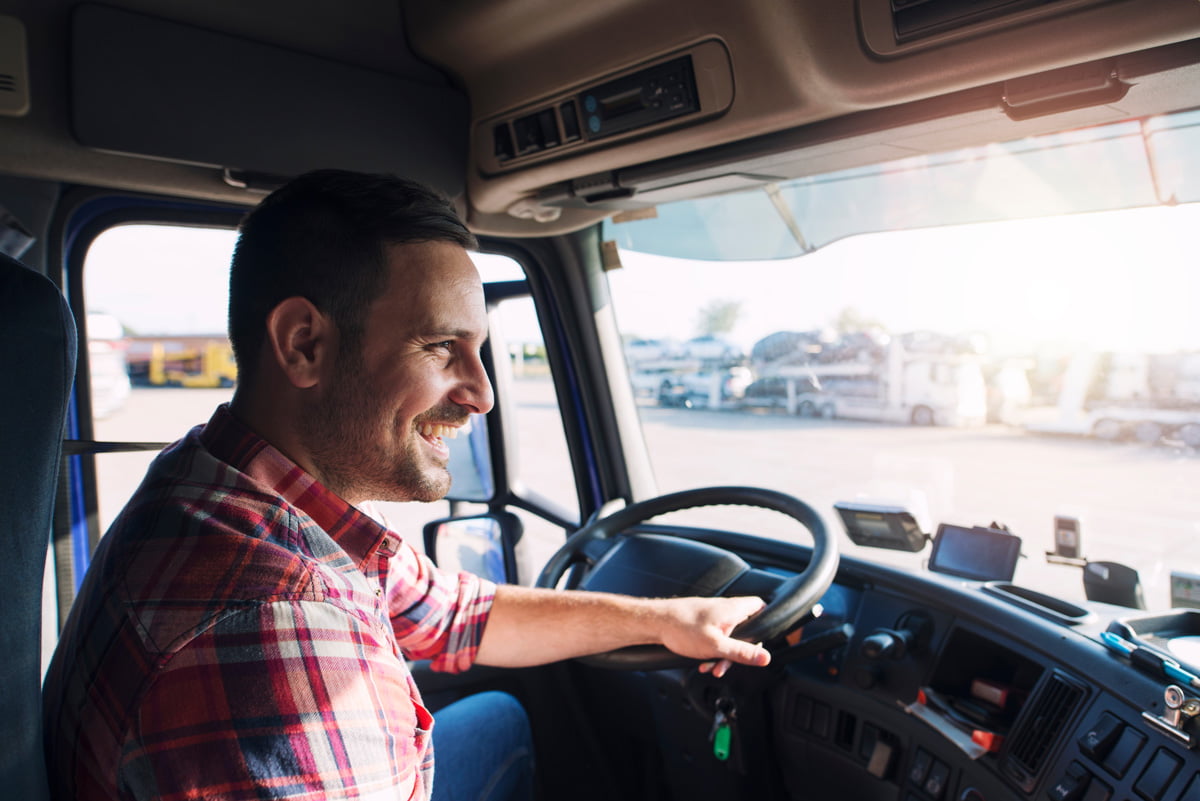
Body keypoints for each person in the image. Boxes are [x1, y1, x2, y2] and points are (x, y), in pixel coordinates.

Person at [42, 170, 771, 801]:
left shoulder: (226, 477)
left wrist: (663, 620)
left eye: (480, 351)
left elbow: (454, 612)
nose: (482, 394)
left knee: (499, 718)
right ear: (305, 344)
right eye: (440, 347)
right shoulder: (277, 630)